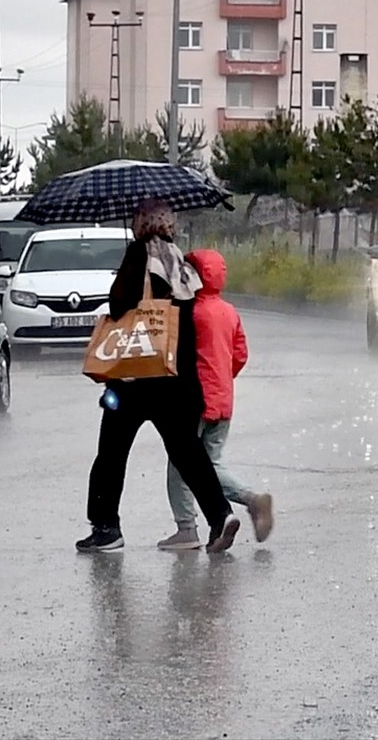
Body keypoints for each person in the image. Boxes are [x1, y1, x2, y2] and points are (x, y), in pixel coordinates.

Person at [77, 200, 241, 554]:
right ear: (168, 223)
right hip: (178, 380)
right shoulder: (179, 260)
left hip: (135, 379)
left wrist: (124, 273)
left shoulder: (139, 254)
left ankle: (106, 528)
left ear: (141, 223)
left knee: (111, 453)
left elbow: (119, 304)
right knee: (188, 453)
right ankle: (220, 515)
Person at [158, 249, 274, 551]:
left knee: (183, 466)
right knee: (210, 462)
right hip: (223, 400)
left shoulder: (190, 312)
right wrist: (222, 379)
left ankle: (188, 527)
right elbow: (240, 355)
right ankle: (223, 523)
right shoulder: (228, 311)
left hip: (196, 400)